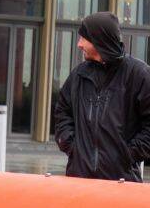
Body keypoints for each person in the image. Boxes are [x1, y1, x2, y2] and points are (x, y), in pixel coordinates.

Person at [53, 10, 150, 181]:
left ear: (99, 41)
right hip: (79, 181)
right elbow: (62, 112)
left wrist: (128, 155)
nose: (79, 44)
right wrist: (72, 147)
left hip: (122, 185)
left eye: (83, 38)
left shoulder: (139, 75)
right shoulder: (78, 75)